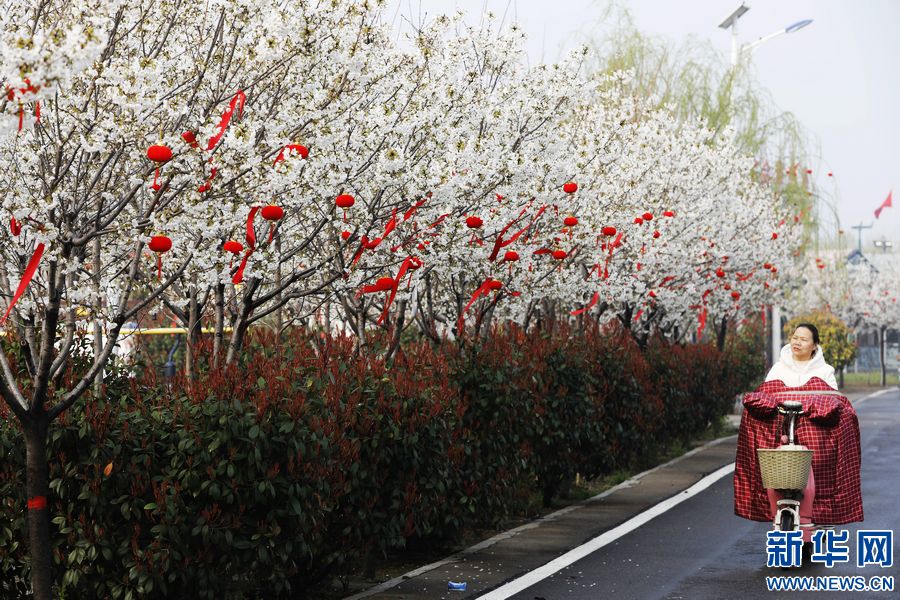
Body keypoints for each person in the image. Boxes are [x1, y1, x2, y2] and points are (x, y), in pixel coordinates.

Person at [765, 323, 838, 390]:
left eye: (804, 340)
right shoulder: (778, 369)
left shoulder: (826, 371)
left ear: (814, 346)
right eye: (795, 338)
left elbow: (835, 400)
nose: (797, 343)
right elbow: (765, 397)